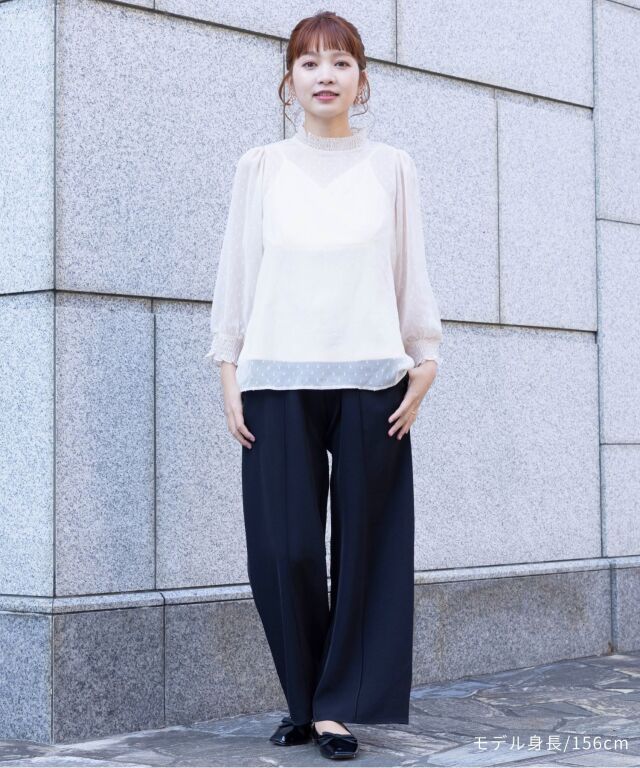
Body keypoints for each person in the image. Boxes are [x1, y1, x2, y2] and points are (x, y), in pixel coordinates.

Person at [204, 10, 443, 761]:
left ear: (362, 80)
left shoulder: (392, 167)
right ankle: (305, 699)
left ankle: (336, 709)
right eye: (310, 63)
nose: (326, 75)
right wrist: (228, 367)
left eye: (340, 62)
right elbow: (238, 271)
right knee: (285, 552)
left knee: (369, 549)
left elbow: (407, 268)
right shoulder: (260, 167)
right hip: (276, 377)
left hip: (373, 379)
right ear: (290, 81)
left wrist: (425, 357)